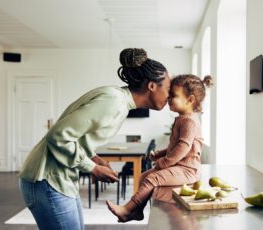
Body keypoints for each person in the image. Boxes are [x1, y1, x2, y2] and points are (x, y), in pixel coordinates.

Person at [18, 48, 170, 230]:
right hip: (47, 178)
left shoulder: (119, 100)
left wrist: (94, 158)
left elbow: (78, 136)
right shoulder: (113, 101)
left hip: (57, 179)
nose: (170, 96)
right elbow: (58, 136)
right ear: (151, 86)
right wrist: (92, 168)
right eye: (168, 88)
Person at [106, 74, 213, 222]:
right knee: (143, 176)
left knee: (152, 178)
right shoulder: (182, 119)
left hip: (187, 170)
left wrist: (165, 162)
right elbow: (175, 146)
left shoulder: (190, 122)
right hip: (178, 166)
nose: (168, 99)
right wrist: (161, 153)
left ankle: (127, 209)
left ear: (190, 100)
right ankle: (138, 211)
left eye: (173, 96)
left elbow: (182, 148)